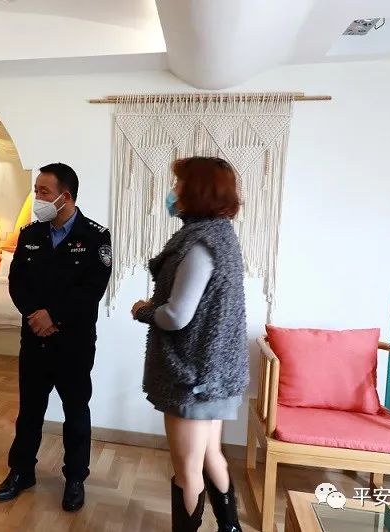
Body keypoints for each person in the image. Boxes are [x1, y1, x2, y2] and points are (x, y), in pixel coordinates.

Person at [131, 157, 248, 532]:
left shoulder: (199, 243)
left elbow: (176, 316)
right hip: (215, 374)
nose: (173, 191)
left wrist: (144, 310)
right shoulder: (222, 235)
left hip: (192, 377)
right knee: (212, 455)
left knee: (187, 471)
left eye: (178, 184)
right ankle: (230, 528)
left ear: (196, 190)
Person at [0, 163, 112, 512]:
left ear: (66, 196)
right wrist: (35, 315)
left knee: (75, 411)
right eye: (36, 190)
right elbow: (17, 282)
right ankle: (21, 471)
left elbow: (92, 289)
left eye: (44, 191)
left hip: (73, 343)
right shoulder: (31, 234)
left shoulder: (95, 236)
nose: (37, 198)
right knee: (29, 410)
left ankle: (75, 478)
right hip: (34, 339)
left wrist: (53, 316)